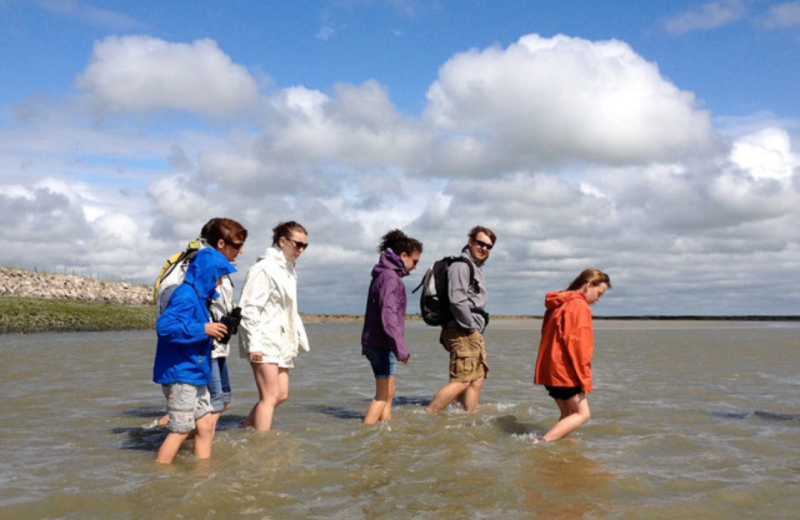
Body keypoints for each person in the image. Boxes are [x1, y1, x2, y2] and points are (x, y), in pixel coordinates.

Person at [152, 218, 248, 430]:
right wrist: (203, 330)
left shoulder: (215, 267)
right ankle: (180, 445)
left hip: (215, 346)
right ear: (221, 244)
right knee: (209, 410)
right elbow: (170, 320)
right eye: (237, 245)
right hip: (199, 351)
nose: (241, 251)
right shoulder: (190, 267)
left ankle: (168, 434)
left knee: (221, 402)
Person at [152, 247, 236, 463]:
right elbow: (165, 327)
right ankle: (160, 472)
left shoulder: (200, 298)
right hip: (181, 375)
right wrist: (203, 329)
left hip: (196, 372)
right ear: (207, 274)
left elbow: (195, 327)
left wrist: (215, 330)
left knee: (206, 423)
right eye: (219, 277)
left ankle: (202, 470)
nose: (220, 283)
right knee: (181, 429)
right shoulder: (185, 294)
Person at [238, 221, 310, 431]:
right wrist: (254, 344)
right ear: (282, 241)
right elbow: (248, 308)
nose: (301, 250)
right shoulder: (264, 268)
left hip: (282, 340)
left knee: (281, 395)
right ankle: (262, 446)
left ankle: (245, 430)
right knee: (269, 397)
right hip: (263, 339)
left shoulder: (288, 269)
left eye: (305, 246)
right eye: (298, 244)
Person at [533, 268, 611, 443]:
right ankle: (539, 443)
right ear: (588, 285)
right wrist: (584, 380)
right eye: (599, 293)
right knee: (582, 414)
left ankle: (559, 447)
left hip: (549, 369)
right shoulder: (579, 305)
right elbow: (578, 347)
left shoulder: (559, 302)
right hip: (564, 371)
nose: (598, 299)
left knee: (568, 414)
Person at [427, 226, 496, 413]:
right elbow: (457, 300)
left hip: (469, 331)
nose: (484, 249)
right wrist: (471, 328)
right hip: (462, 330)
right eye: (480, 243)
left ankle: (466, 417)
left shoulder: (474, 266)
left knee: (476, 378)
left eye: (489, 246)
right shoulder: (461, 265)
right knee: (462, 379)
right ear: (470, 241)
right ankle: (427, 416)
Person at [361, 229, 423, 424]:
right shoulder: (390, 278)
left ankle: (385, 427)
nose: (415, 267)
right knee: (382, 394)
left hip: (379, 343)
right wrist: (401, 349)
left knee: (390, 390)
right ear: (403, 256)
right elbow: (389, 317)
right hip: (381, 344)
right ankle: (366, 433)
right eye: (415, 261)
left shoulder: (386, 275)